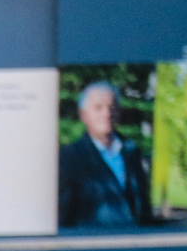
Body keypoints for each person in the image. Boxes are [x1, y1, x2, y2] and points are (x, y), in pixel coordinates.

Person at [59, 81, 156, 229]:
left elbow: (143, 207)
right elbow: (64, 217)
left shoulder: (131, 152)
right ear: (83, 114)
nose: (107, 114)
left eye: (112, 107)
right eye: (98, 108)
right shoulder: (69, 158)